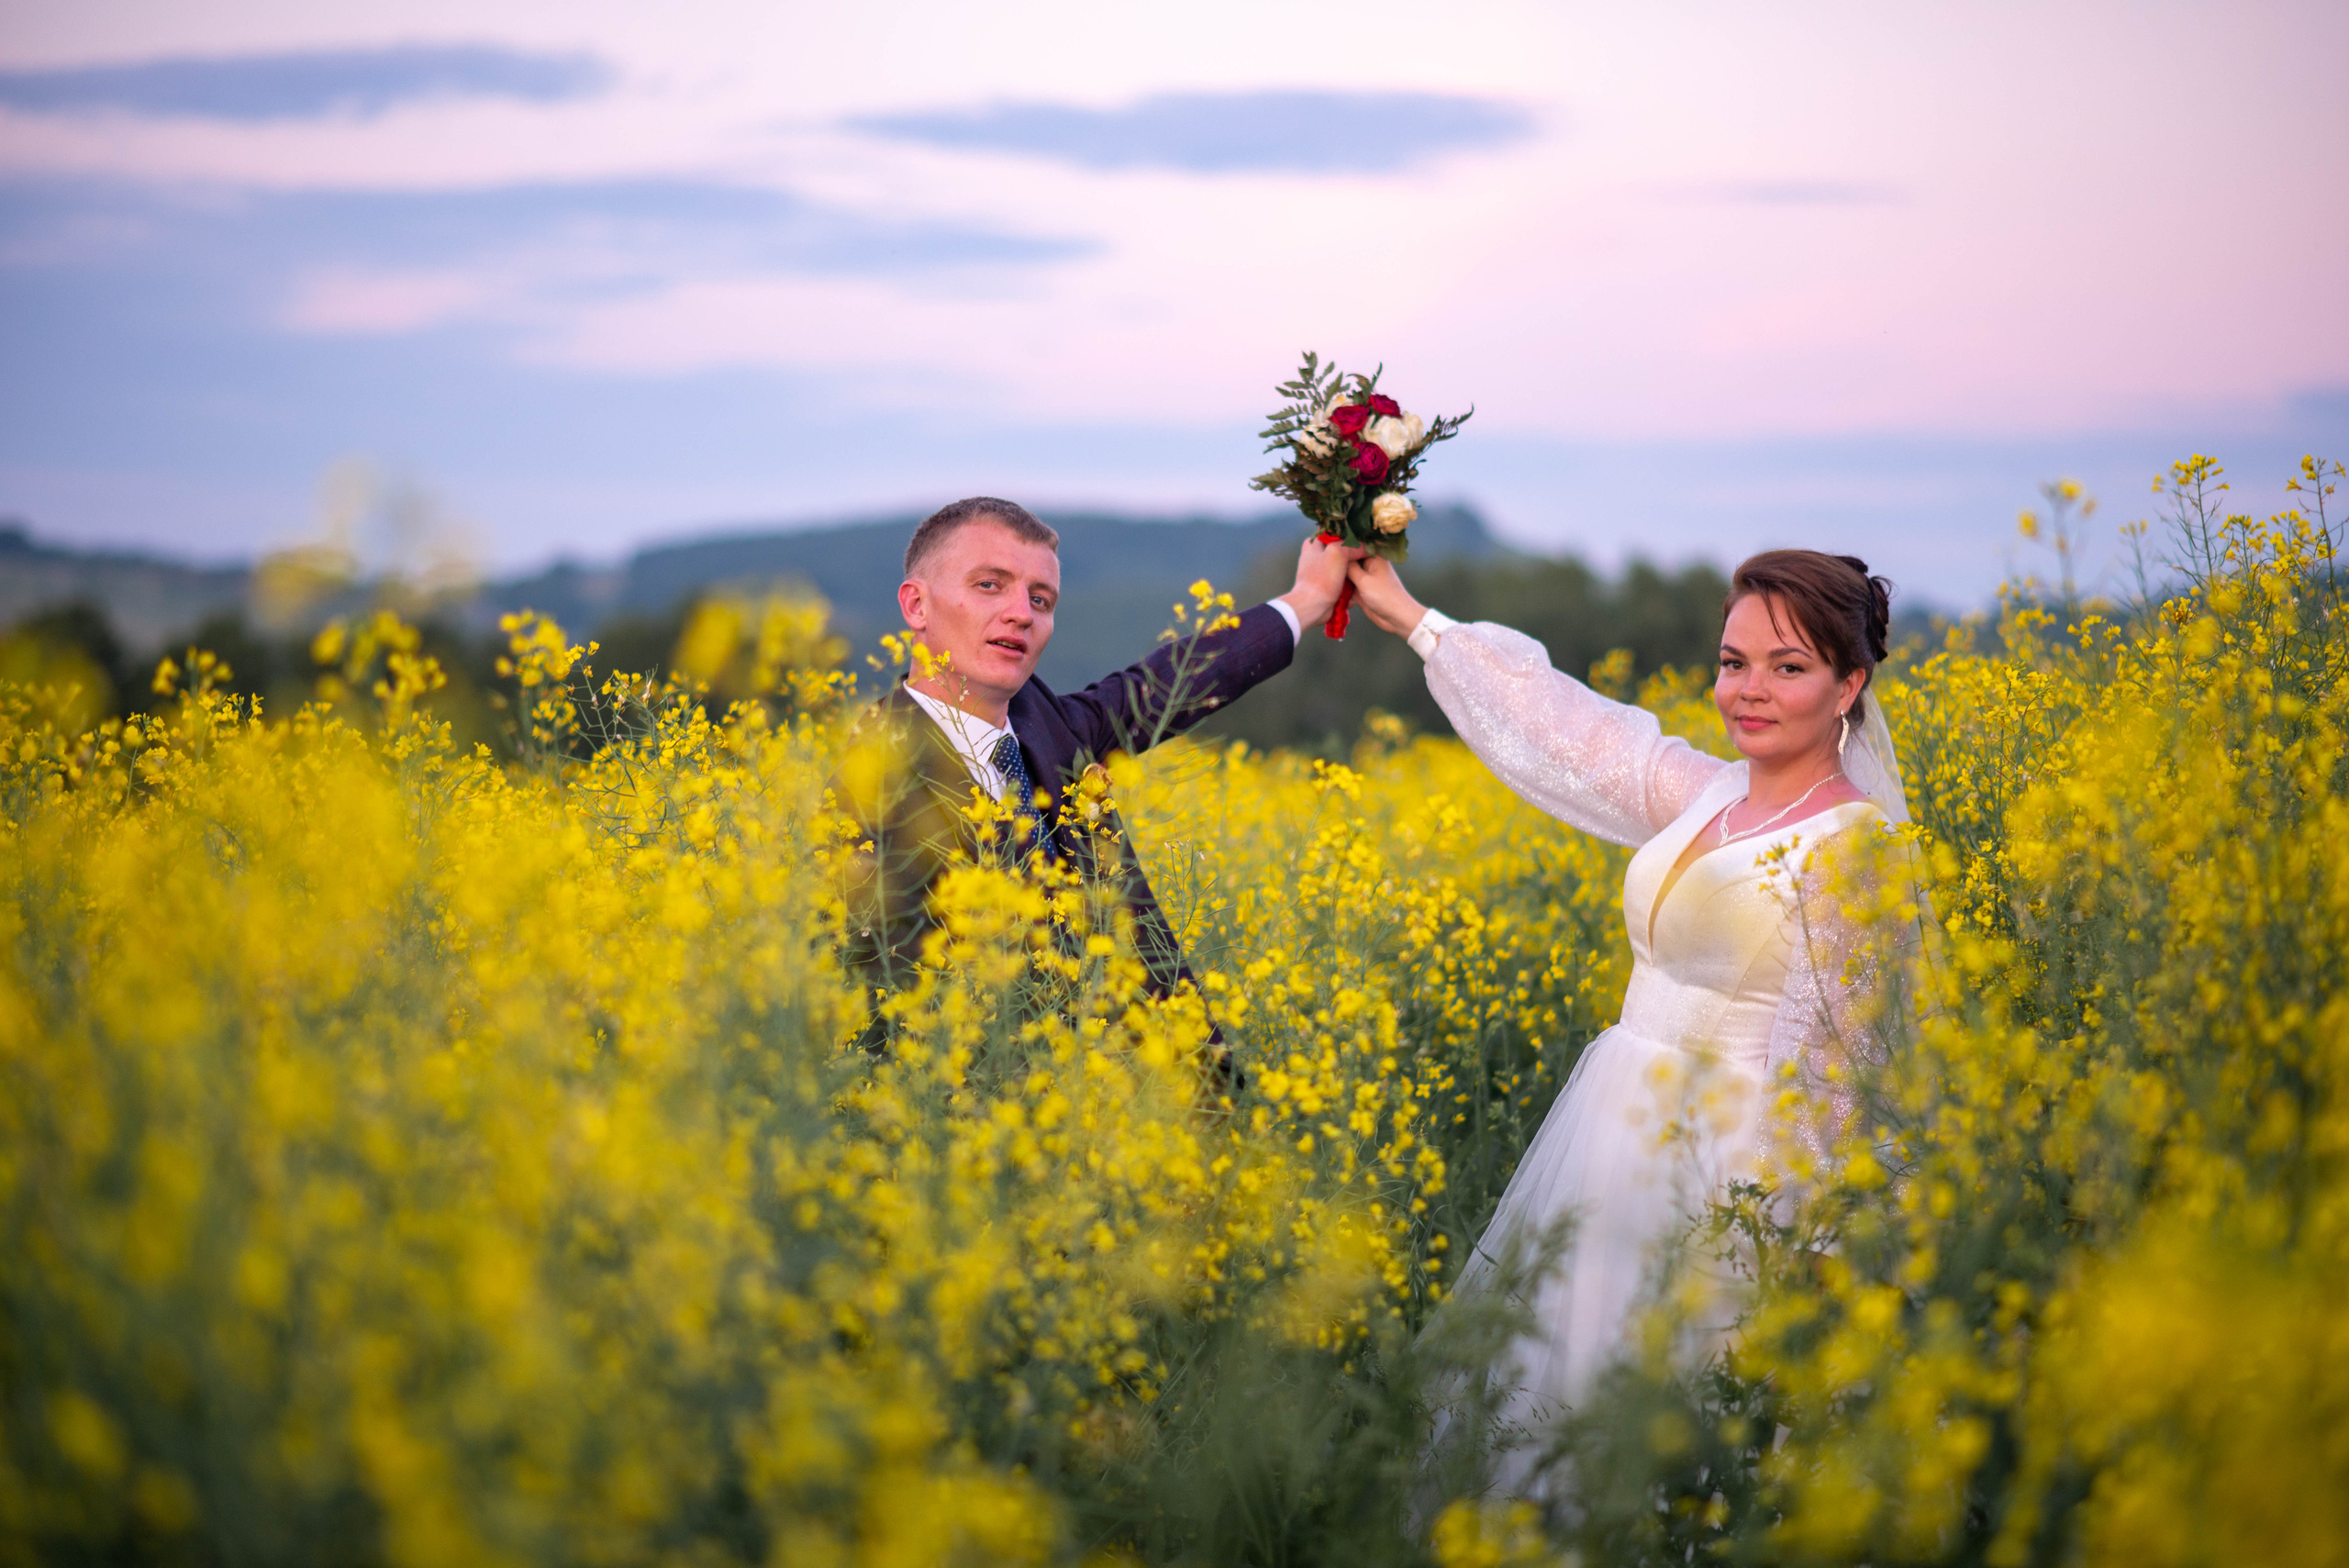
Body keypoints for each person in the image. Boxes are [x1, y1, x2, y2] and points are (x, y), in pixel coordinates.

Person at [1343, 546, 1913, 1496]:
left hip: (1730, 1174)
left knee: (1682, 1440)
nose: (1750, 691)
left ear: (1849, 683)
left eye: (1789, 666)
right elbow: (1571, 730)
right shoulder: (1708, 794)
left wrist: (1812, 1259)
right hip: (1609, 1143)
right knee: (1557, 1416)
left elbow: (1847, 1074)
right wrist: (1416, 620)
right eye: (1734, 662)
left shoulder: (1857, 847)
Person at [838, 495, 1359, 1039]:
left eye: (1041, 599)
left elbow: (1171, 683)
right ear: (916, 606)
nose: (1021, 612)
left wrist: (1309, 599)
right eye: (989, 585)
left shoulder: (1053, 726)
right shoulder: (871, 785)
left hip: (1160, 1094)